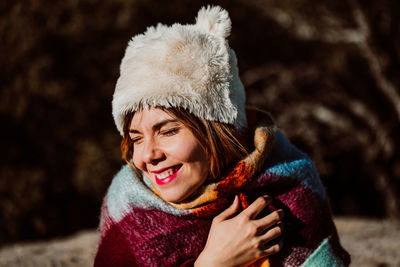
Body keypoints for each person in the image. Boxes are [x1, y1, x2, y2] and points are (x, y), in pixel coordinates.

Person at [94, 6, 350, 267]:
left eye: (168, 131)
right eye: (136, 138)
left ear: (219, 130)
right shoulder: (128, 205)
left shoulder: (291, 184)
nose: (147, 155)